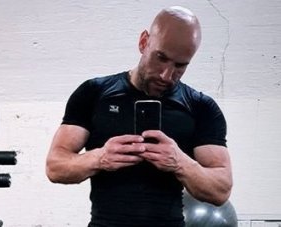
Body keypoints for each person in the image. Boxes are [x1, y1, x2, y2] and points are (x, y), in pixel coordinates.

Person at [46, 6, 233, 227]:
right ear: (144, 42)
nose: (166, 75)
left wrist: (180, 163)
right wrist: (100, 158)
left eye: (180, 66)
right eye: (161, 58)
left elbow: (221, 189)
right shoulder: (94, 93)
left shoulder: (201, 107)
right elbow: (55, 166)